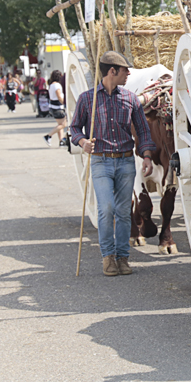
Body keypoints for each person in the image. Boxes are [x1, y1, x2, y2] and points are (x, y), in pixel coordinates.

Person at [70, 52, 156, 277]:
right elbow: (74, 128)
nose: (129, 74)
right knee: (106, 209)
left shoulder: (130, 99)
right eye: (125, 70)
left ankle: (123, 258)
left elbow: (143, 131)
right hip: (100, 161)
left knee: (123, 212)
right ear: (112, 71)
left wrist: (146, 155)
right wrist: (82, 141)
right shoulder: (87, 99)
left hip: (126, 161)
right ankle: (108, 257)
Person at [43, 70, 68, 146]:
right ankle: (48, 135)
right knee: (63, 124)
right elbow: (59, 96)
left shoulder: (51, 85)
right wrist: (64, 103)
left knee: (60, 125)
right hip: (58, 107)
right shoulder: (57, 85)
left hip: (53, 106)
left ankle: (61, 140)